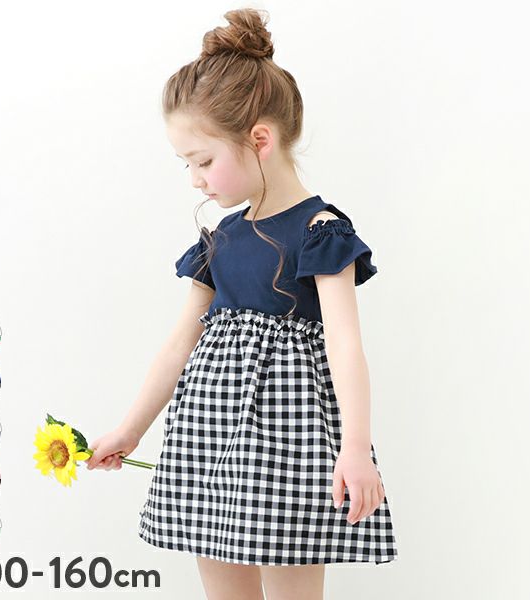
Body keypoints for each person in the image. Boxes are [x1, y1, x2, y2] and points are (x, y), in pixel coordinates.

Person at [86, 7, 398, 599]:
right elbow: (180, 344)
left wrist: (356, 449)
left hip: (289, 446)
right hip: (207, 439)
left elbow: (345, 346)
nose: (195, 179)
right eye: (187, 164)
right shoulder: (219, 240)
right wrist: (130, 430)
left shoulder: (320, 233)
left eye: (203, 161)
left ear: (260, 140)